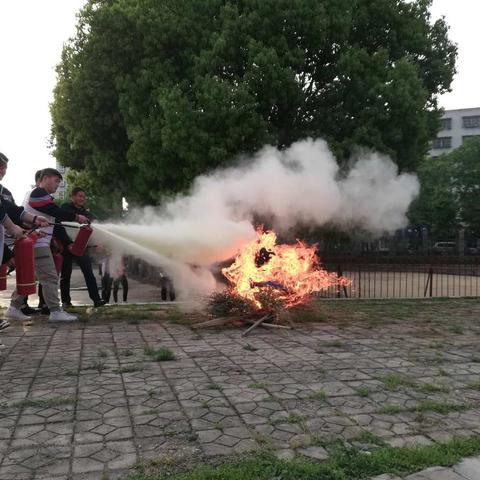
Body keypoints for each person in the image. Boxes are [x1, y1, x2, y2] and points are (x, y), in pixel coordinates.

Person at [6, 168, 89, 322]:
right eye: (56, 181)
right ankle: (55, 311)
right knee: (50, 276)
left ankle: (14, 308)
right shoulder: (39, 193)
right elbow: (54, 211)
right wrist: (76, 217)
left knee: (31, 276)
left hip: (34, 241)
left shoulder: (34, 194)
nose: (58, 185)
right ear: (45, 178)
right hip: (38, 243)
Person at [0, 154, 49, 329]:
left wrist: (35, 220)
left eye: (4, 168)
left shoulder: (3, 192)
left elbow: (14, 211)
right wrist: (12, 228)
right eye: (1, 167)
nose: (3, 171)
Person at [58, 187, 106, 308]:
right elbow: (62, 220)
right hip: (67, 246)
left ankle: (96, 299)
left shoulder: (85, 212)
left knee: (89, 273)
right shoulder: (65, 208)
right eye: (79, 196)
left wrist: (96, 221)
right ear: (72, 197)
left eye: (83, 197)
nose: (82, 199)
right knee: (65, 274)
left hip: (81, 246)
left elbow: (93, 219)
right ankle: (66, 301)